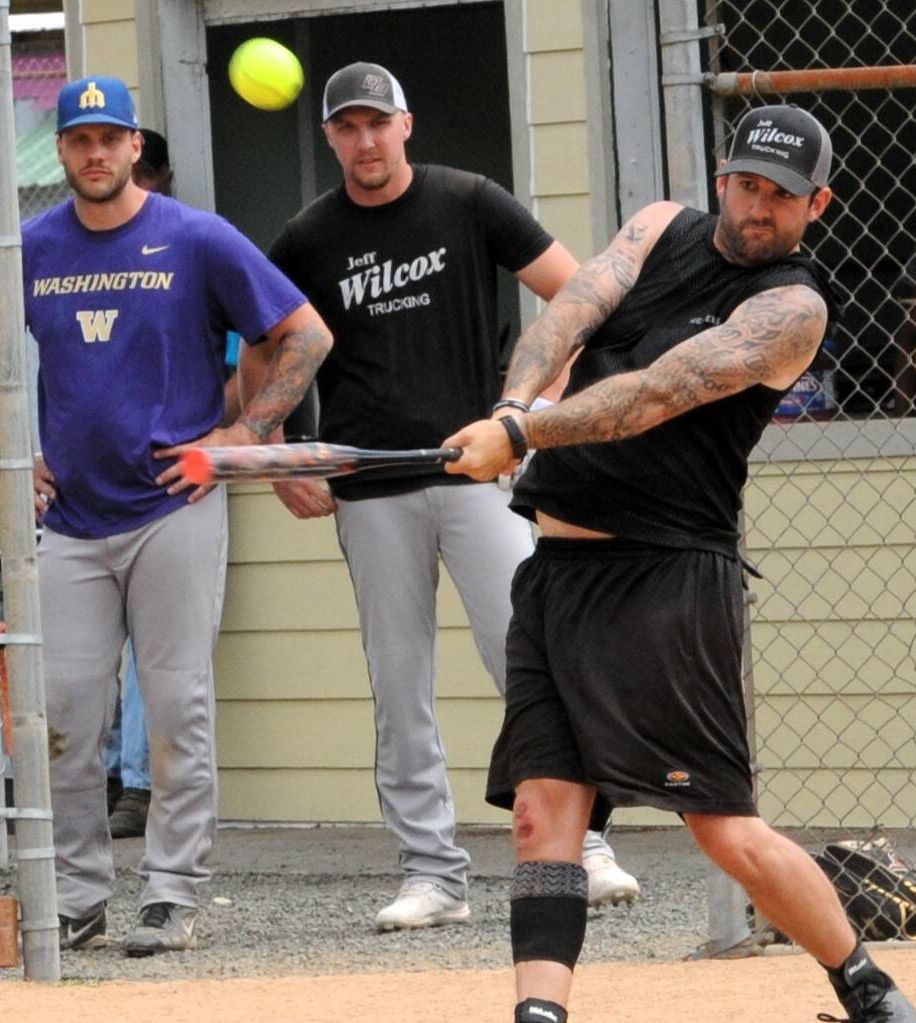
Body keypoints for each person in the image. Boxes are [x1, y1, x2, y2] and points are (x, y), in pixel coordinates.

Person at [441, 105, 916, 1023]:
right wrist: (508, 407)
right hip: (559, 572)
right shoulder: (656, 226)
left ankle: (870, 990)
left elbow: (656, 393)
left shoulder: (792, 312)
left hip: (668, 578)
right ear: (724, 175)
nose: (757, 208)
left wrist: (525, 438)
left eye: (781, 197)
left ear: (816, 205)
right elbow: (568, 315)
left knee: (724, 831)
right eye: (747, 184)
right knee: (544, 809)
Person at [249, 62, 638, 933]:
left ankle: (587, 845)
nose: (365, 141)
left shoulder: (470, 200)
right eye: (347, 128)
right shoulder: (308, 237)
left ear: (406, 125)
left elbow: (577, 301)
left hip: (477, 476)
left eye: (377, 123)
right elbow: (262, 342)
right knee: (399, 684)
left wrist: (528, 416)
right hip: (371, 487)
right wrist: (275, 454)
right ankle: (432, 873)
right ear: (330, 139)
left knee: (532, 661)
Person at [0, 77, 330, 955]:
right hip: (70, 516)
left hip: (172, 506)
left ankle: (172, 894)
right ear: (61, 153)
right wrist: (14, 452)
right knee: (64, 711)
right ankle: (77, 894)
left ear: (136, 146)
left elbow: (306, 333)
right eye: (79, 141)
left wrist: (243, 435)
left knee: (177, 705)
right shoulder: (28, 247)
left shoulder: (193, 235)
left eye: (111, 138)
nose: (95, 154)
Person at [99, 131, 174, 839]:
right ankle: (112, 774)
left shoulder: (190, 249)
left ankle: (142, 787)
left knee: (158, 650)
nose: (133, 184)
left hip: (174, 484)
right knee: (101, 643)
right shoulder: (85, 254)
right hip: (95, 485)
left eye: (145, 173)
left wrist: (232, 437)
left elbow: (247, 354)